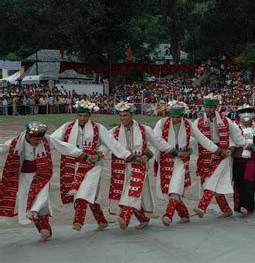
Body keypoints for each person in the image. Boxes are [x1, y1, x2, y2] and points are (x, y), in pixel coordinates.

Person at [51, 100, 134, 231]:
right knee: (90, 194)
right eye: (80, 116)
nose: (82, 118)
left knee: (83, 192)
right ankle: (101, 221)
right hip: (72, 165)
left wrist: (100, 153)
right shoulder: (67, 127)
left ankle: (78, 221)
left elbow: (110, 143)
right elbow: (52, 140)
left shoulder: (98, 128)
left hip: (93, 166)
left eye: (85, 116)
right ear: (76, 115)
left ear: (90, 115)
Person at [0, 122, 87, 241]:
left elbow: (63, 146)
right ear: (28, 136)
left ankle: (44, 229)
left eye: (40, 139)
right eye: (35, 140)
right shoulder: (16, 142)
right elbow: (2, 148)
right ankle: (43, 229)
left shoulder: (46, 140)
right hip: (25, 177)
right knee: (28, 203)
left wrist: (81, 154)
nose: (38, 142)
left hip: (42, 175)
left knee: (42, 202)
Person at [154, 101, 222, 226]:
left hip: (181, 161)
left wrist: (218, 150)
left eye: (178, 117)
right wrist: (173, 151)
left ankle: (168, 215)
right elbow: (156, 141)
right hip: (165, 161)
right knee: (170, 189)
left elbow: (201, 139)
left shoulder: (188, 124)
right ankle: (184, 214)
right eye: (173, 116)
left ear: (182, 115)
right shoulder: (161, 123)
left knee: (176, 186)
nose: (175, 119)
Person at [107, 102, 173, 230]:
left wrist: (149, 155)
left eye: (125, 115)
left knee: (133, 190)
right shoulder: (114, 131)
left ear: (132, 115)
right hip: (121, 168)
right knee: (135, 194)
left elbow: (158, 143)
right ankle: (143, 219)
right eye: (120, 115)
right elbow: (106, 145)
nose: (122, 118)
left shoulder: (144, 129)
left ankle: (125, 217)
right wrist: (99, 153)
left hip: (140, 166)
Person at [193, 94, 249, 218]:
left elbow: (236, 137)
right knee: (215, 184)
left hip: (223, 155)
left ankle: (202, 207)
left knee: (212, 180)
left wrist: (232, 148)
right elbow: (195, 139)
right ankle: (226, 210)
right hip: (206, 157)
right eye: (206, 107)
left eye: (211, 108)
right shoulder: (198, 122)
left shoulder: (226, 121)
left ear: (216, 108)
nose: (208, 110)